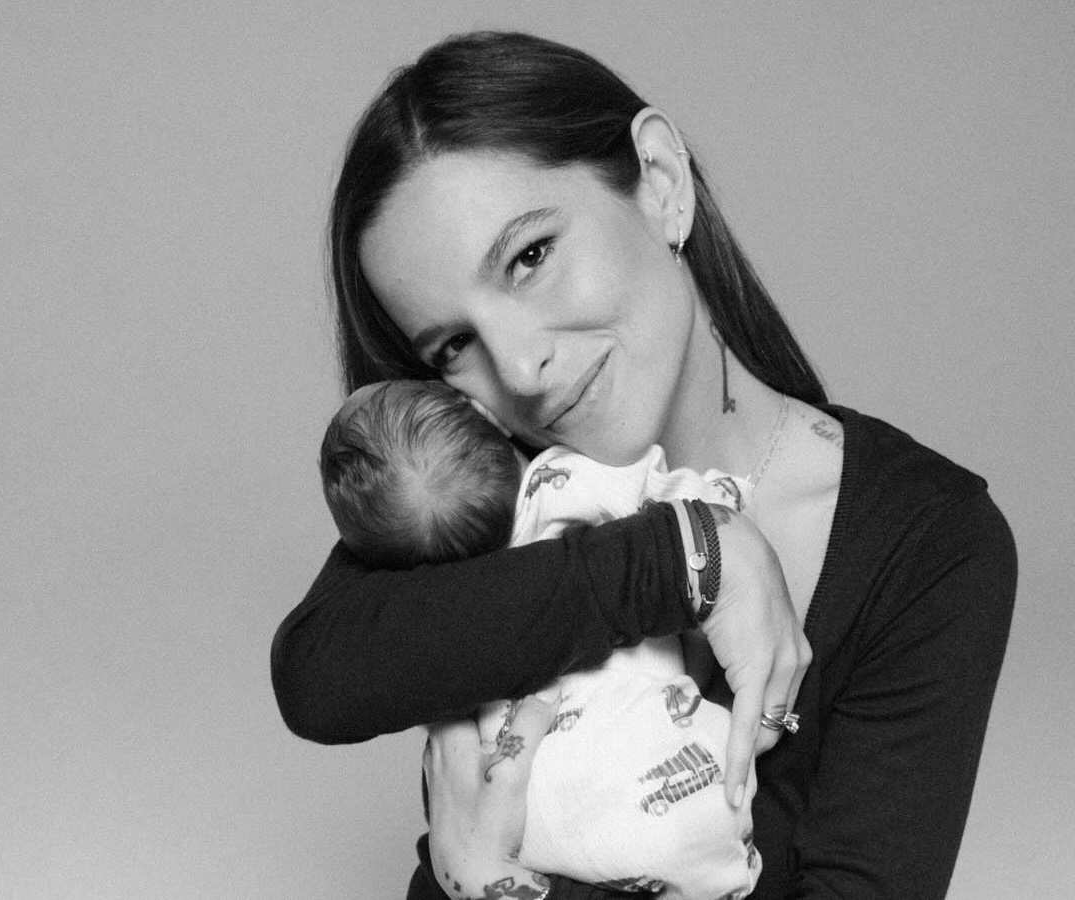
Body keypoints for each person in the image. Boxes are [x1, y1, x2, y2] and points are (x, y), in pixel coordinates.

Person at [271, 30, 1017, 900]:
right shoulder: (494, 487)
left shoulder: (926, 544)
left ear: (661, 183)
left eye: (530, 257)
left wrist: (488, 881)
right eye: (452, 345)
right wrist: (689, 558)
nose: (519, 369)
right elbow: (317, 674)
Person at [318, 377, 762, 898]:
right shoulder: (565, 480)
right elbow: (687, 512)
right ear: (484, 415)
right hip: (689, 789)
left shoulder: (442, 609)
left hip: (546, 826)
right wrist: (728, 499)